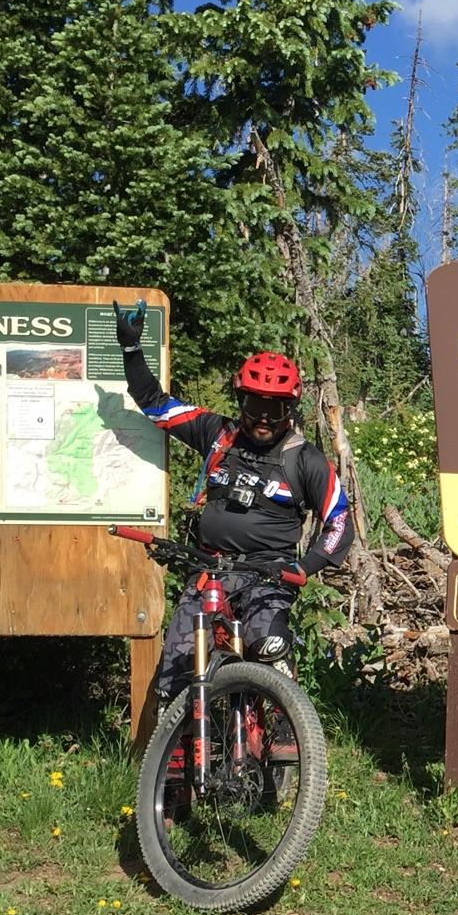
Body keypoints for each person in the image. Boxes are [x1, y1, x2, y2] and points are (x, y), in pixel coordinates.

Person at [115, 301, 352, 702]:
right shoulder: (217, 434)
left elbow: (339, 520)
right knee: (176, 669)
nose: (263, 418)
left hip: (270, 575)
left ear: (289, 409)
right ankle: (177, 759)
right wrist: (130, 350)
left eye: (274, 408)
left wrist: (306, 567)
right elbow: (156, 404)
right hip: (210, 568)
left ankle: (283, 723)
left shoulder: (305, 458)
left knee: (268, 640)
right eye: (255, 405)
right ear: (241, 401)